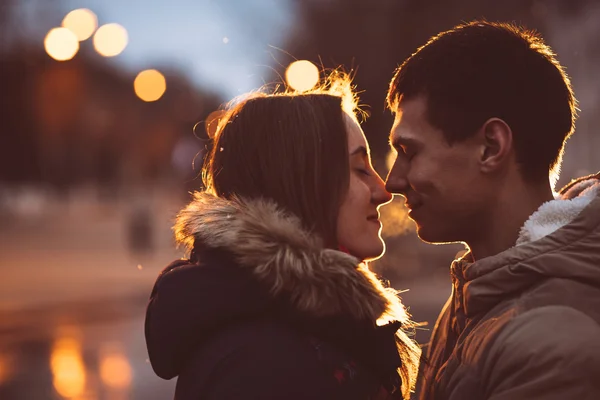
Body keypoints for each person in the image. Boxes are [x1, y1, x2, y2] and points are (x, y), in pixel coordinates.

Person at [145, 73, 421, 400]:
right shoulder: (262, 367)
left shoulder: (304, 322)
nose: (383, 189)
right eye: (360, 169)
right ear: (301, 182)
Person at [384, 20, 600, 400]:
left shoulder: (550, 342)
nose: (392, 182)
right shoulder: (479, 292)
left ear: (490, 147)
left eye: (409, 152)